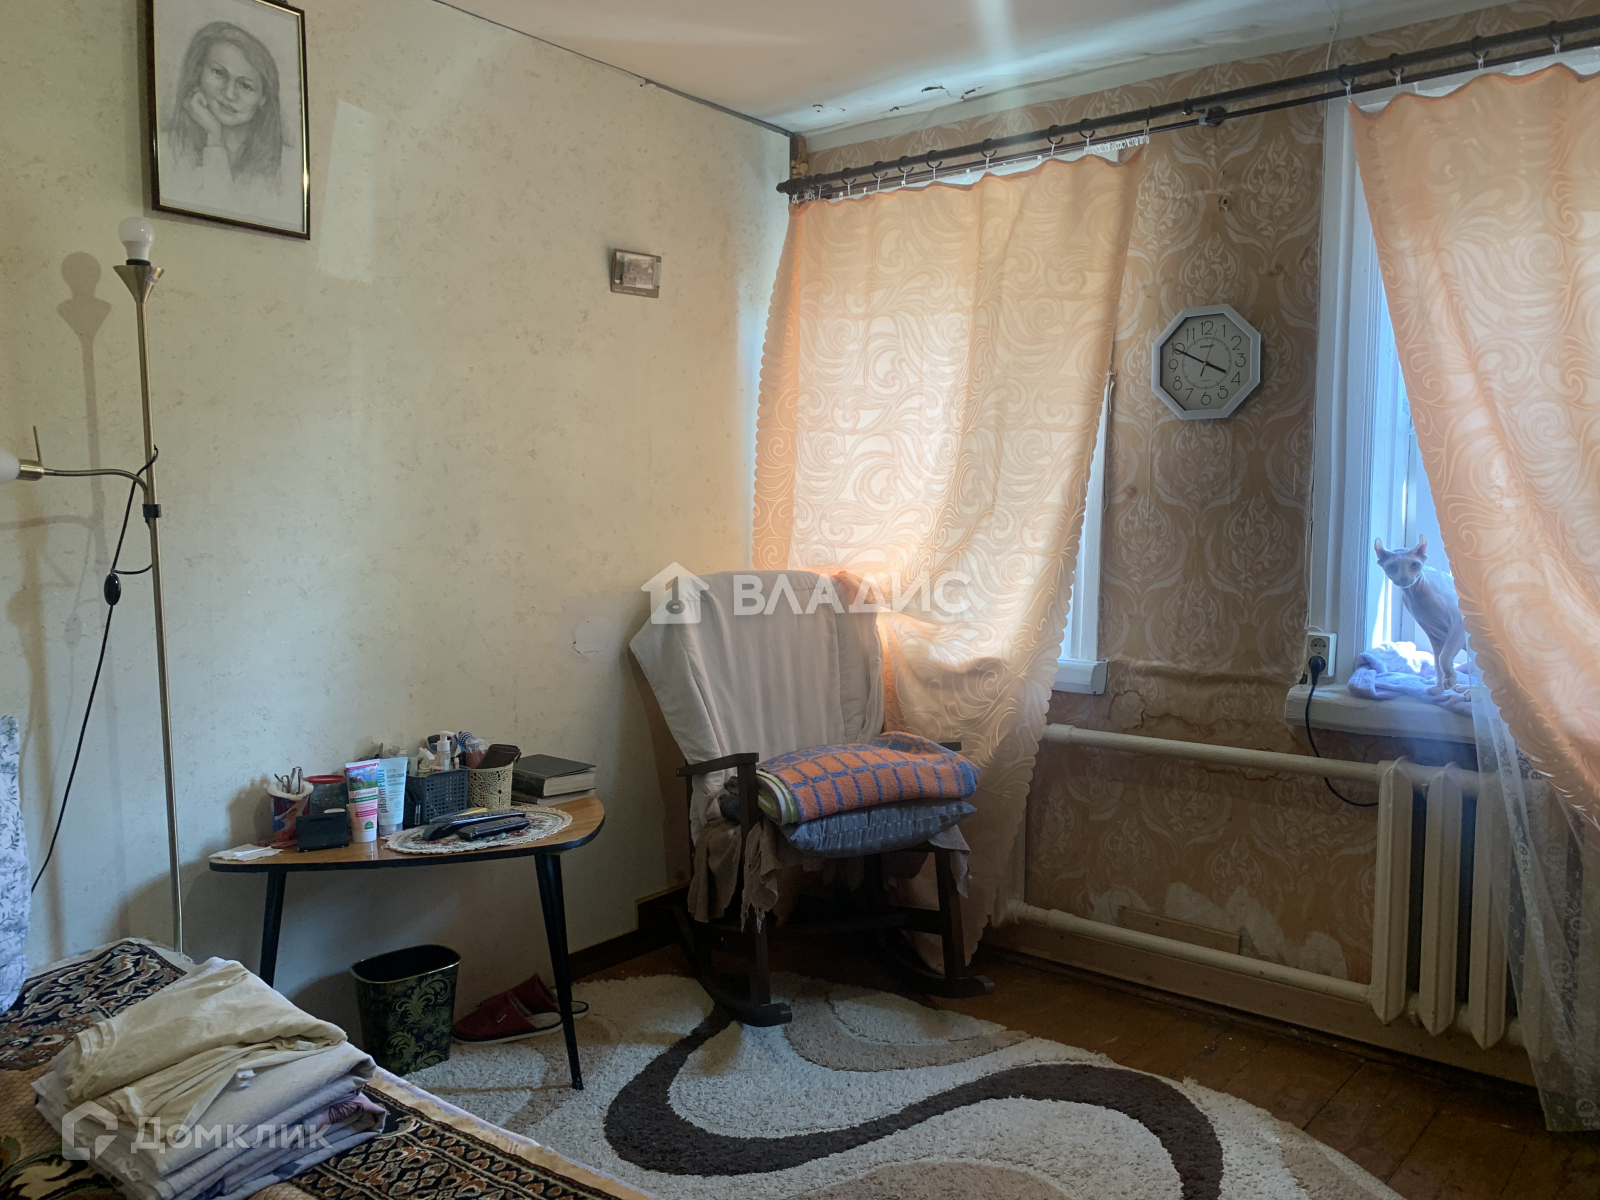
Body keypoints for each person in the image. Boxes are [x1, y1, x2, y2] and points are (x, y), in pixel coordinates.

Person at [160, 21, 299, 228]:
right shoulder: (166, 149)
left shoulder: (289, 165)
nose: (229, 93)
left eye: (245, 85)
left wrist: (214, 138)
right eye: (218, 73)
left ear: (263, 99)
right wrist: (213, 135)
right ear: (199, 72)